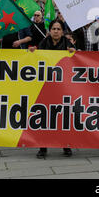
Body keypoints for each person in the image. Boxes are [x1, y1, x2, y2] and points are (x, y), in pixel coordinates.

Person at [29, 19, 76, 158]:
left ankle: (66, 145)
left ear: (62, 31)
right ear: (49, 31)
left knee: (63, 116)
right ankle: (43, 147)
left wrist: (75, 52)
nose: (56, 31)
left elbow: (78, 61)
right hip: (46, 86)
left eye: (58, 29)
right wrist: (32, 51)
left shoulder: (68, 44)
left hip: (63, 87)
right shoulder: (44, 43)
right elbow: (36, 59)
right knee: (44, 117)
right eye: (53, 29)